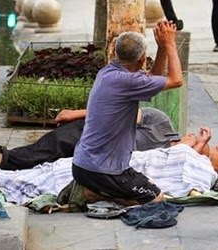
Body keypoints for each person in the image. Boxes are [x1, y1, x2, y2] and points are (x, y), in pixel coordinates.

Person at [72, 20, 182, 206]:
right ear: (141, 59)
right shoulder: (128, 82)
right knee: (156, 198)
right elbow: (176, 80)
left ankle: (97, 189)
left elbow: (152, 79)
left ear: (115, 52)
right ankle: (95, 194)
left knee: (149, 185)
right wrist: (170, 43)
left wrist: (162, 47)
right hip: (102, 171)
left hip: (83, 165)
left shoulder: (109, 73)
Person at [0, 128, 218, 205]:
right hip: (123, 162)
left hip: (123, 174)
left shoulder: (204, 174)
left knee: (45, 178)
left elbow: (185, 189)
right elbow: (180, 150)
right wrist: (200, 143)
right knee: (54, 167)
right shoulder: (197, 157)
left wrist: (196, 145)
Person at [0, 107, 180, 171]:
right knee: (37, 153)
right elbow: (116, 114)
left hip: (94, 161)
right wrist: (74, 114)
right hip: (87, 135)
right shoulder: (160, 122)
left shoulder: (166, 158)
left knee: (40, 166)